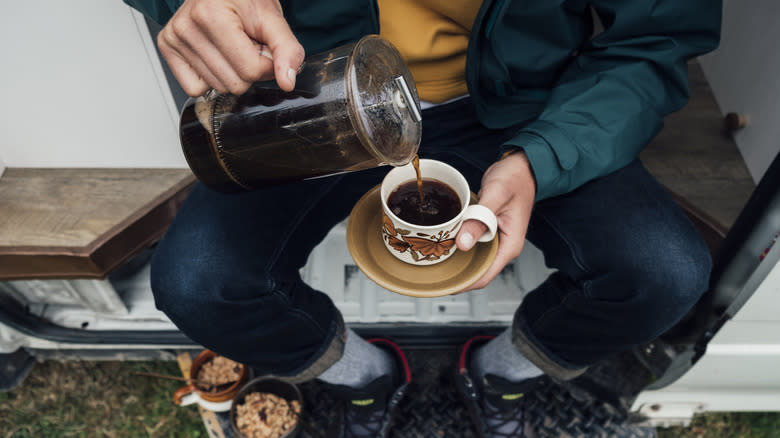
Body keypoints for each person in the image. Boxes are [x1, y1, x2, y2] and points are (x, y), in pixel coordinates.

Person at [124, 0, 721, 436]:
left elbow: (656, 35)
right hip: (321, 95)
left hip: (523, 102)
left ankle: (499, 373)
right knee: (197, 283)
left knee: (663, 271)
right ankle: (366, 378)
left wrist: (544, 159)